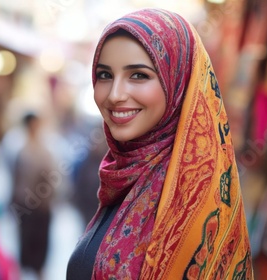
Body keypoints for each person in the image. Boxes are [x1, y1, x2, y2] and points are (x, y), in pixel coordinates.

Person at [66, 8, 253, 279]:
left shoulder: (200, 194)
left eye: (138, 75)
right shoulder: (123, 178)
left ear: (178, 82)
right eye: (105, 75)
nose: (115, 94)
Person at [11, 112, 55, 279]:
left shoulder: (45, 150)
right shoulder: (20, 150)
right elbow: (15, 179)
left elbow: (51, 178)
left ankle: (39, 271)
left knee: (40, 242)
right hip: (25, 205)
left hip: (42, 207)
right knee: (26, 242)